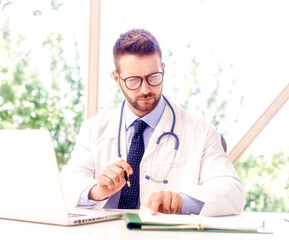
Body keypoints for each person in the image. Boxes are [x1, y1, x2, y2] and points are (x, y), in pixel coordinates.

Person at [60, 29, 245, 216]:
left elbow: (232, 191)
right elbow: (67, 183)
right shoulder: (93, 129)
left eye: (153, 77)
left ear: (162, 69)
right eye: (133, 80)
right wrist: (97, 191)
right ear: (117, 78)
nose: (145, 89)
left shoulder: (201, 131)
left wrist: (182, 201)